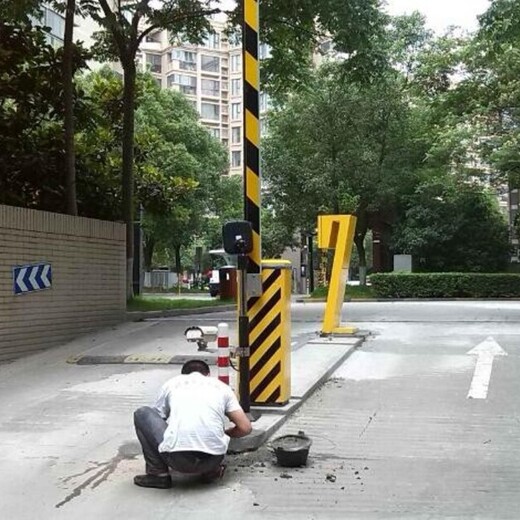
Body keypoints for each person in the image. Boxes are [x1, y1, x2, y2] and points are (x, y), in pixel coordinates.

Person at [133, 359, 252, 489]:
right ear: (208, 374)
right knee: (215, 422)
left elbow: (158, 419)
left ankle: (158, 474)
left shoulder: (172, 383)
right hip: (213, 460)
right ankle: (211, 472)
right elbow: (245, 428)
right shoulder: (222, 387)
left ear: (183, 374)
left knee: (142, 414)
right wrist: (225, 433)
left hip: (179, 462)